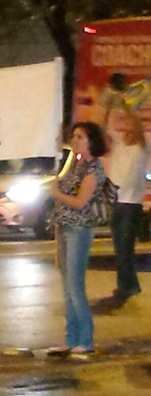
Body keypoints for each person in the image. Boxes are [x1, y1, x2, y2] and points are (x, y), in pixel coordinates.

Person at [49, 121, 107, 356]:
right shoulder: (74, 163)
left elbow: (81, 202)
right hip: (64, 228)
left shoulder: (93, 169)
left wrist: (57, 194)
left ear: (92, 141)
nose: (75, 141)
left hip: (79, 230)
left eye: (80, 137)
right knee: (67, 287)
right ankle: (71, 338)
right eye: (73, 136)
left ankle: (85, 338)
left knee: (75, 286)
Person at [105, 109, 147, 301]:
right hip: (117, 201)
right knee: (120, 247)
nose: (126, 128)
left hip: (131, 204)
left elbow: (138, 132)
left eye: (130, 125)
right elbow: (105, 128)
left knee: (124, 246)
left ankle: (126, 286)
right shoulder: (118, 145)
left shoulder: (141, 146)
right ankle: (129, 285)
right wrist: (108, 107)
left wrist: (129, 112)